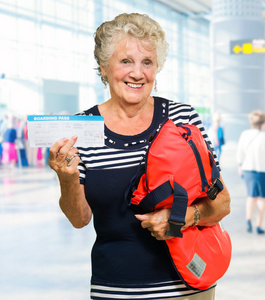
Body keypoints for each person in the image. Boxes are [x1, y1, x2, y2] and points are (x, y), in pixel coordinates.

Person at [48, 13, 231, 300]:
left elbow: (222, 203)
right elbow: (79, 219)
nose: (137, 73)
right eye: (126, 61)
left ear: (157, 68)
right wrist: (66, 177)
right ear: (103, 68)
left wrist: (181, 217)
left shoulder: (182, 118)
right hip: (116, 289)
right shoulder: (82, 128)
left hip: (189, 287)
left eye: (147, 62)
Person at [237, 110, 265, 235]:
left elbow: (240, 152)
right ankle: (259, 224)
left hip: (247, 169)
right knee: (262, 198)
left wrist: (240, 165)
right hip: (262, 171)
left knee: (251, 195)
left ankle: (248, 219)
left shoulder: (244, 134)